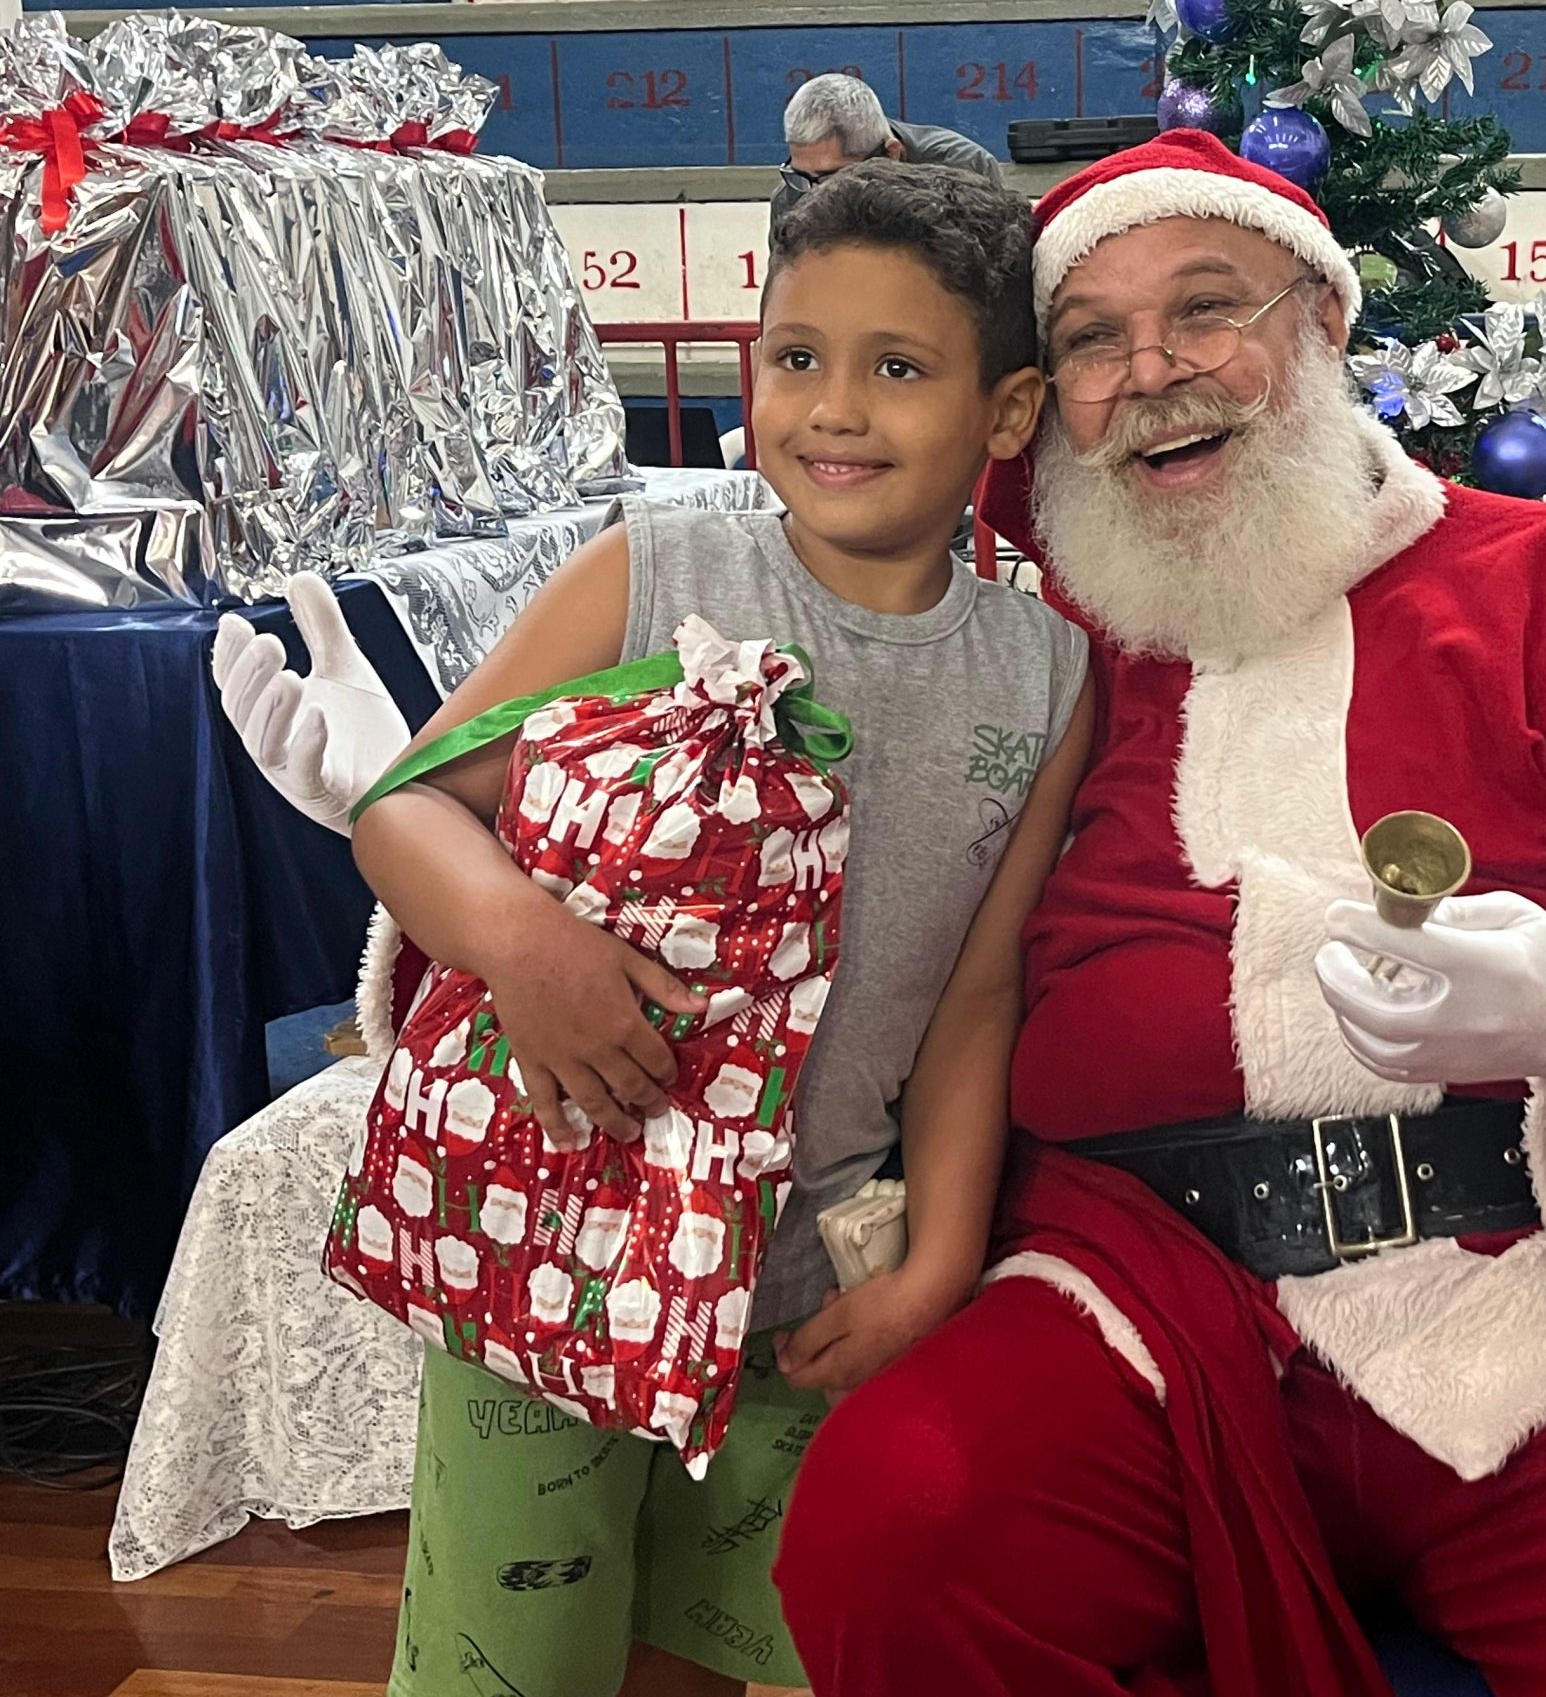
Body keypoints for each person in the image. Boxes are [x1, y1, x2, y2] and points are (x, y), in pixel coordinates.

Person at [769, 132, 1546, 1696]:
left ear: (1324, 319)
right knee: (898, 1533)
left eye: (1207, 309)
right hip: (1138, 1295)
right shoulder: (1033, 657)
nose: (1153, 373)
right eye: (1094, 341)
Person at [224, 161, 1091, 1697]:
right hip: (547, 1243)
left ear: (1009, 412)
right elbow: (408, 810)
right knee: (512, 1657)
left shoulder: (1046, 675)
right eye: (797, 356)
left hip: (806, 1281)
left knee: (717, 1641)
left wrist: (939, 1258)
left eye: (899, 369)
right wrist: (521, 941)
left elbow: (977, 996)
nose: (834, 408)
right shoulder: (655, 569)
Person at [771, 74, 1000, 237]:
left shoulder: (965, 170)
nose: (814, 196)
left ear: (891, 154)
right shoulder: (793, 194)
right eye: (800, 174)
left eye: (831, 179)